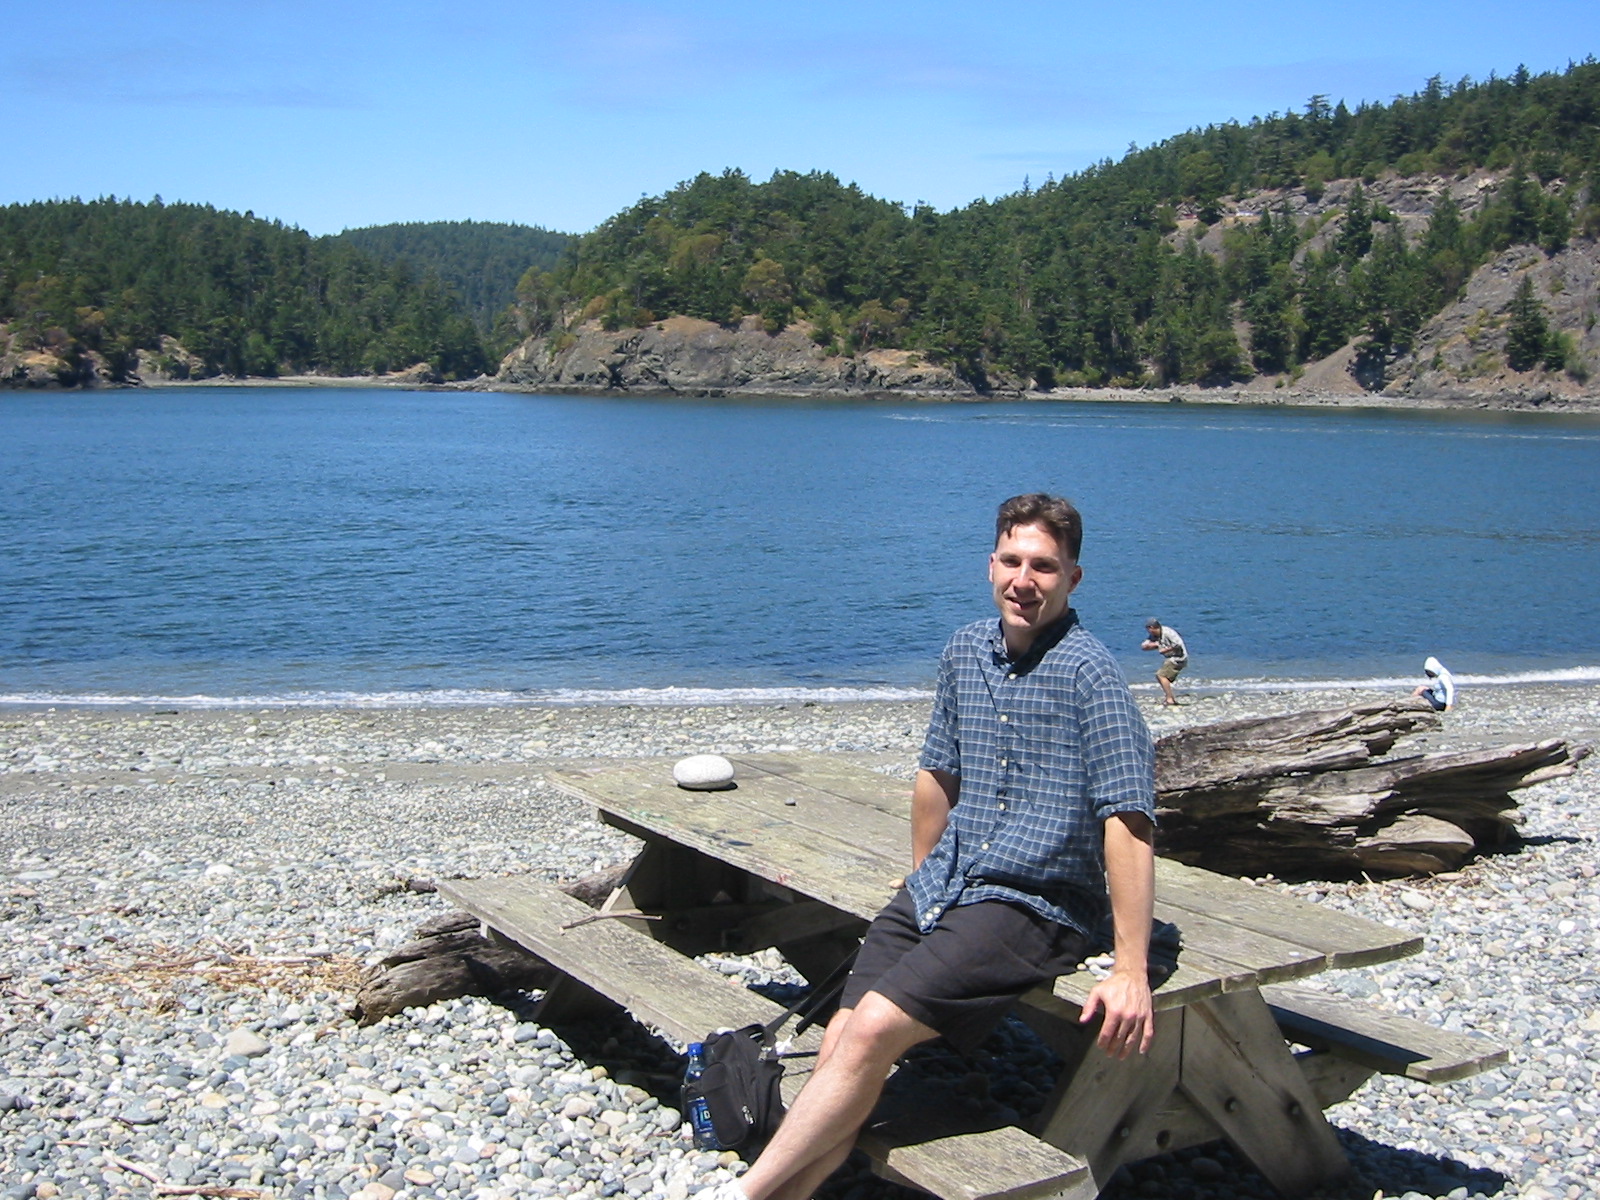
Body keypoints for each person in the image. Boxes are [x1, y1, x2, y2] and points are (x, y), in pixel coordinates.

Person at [711, 493, 1157, 1200]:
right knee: (842, 1035)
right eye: (1012, 561)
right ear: (990, 566)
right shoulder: (965, 651)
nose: (1024, 580)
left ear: (1073, 578)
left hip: (1034, 902)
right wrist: (923, 880)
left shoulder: (1090, 675)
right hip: (948, 882)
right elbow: (937, 774)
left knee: (869, 1032)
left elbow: (1129, 821)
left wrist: (1130, 969)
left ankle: (743, 1195)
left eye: (1044, 567)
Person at [1141, 618, 1188, 706]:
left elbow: (1178, 645)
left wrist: (1165, 649)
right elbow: (1144, 646)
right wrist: (1155, 645)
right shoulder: (1154, 636)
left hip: (1178, 658)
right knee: (1164, 677)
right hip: (1170, 658)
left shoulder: (1167, 632)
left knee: (1161, 675)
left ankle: (1170, 699)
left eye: (1148, 629)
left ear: (1152, 628)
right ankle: (1169, 697)